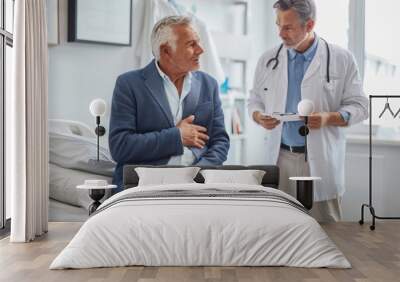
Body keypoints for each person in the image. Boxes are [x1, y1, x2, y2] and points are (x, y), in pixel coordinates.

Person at [248, 0, 368, 222]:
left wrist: (329, 118)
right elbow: (254, 99)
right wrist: (258, 116)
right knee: (279, 228)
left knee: (327, 231)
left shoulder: (341, 59)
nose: (280, 33)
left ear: (309, 24)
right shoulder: (268, 60)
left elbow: (360, 106)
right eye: (278, 25)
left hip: (320, 159)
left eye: (288, 27)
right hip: (280, 157)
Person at [109, 16, 230, 192]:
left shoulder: (208, 84)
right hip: (144, 185)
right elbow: (120, 147)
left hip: (199, 184)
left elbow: (220, 142)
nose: (201, 50)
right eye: (191, 44)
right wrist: (177, 137)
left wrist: (199, 174)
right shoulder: (129, 84)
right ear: (166, 51)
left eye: (199, 42)